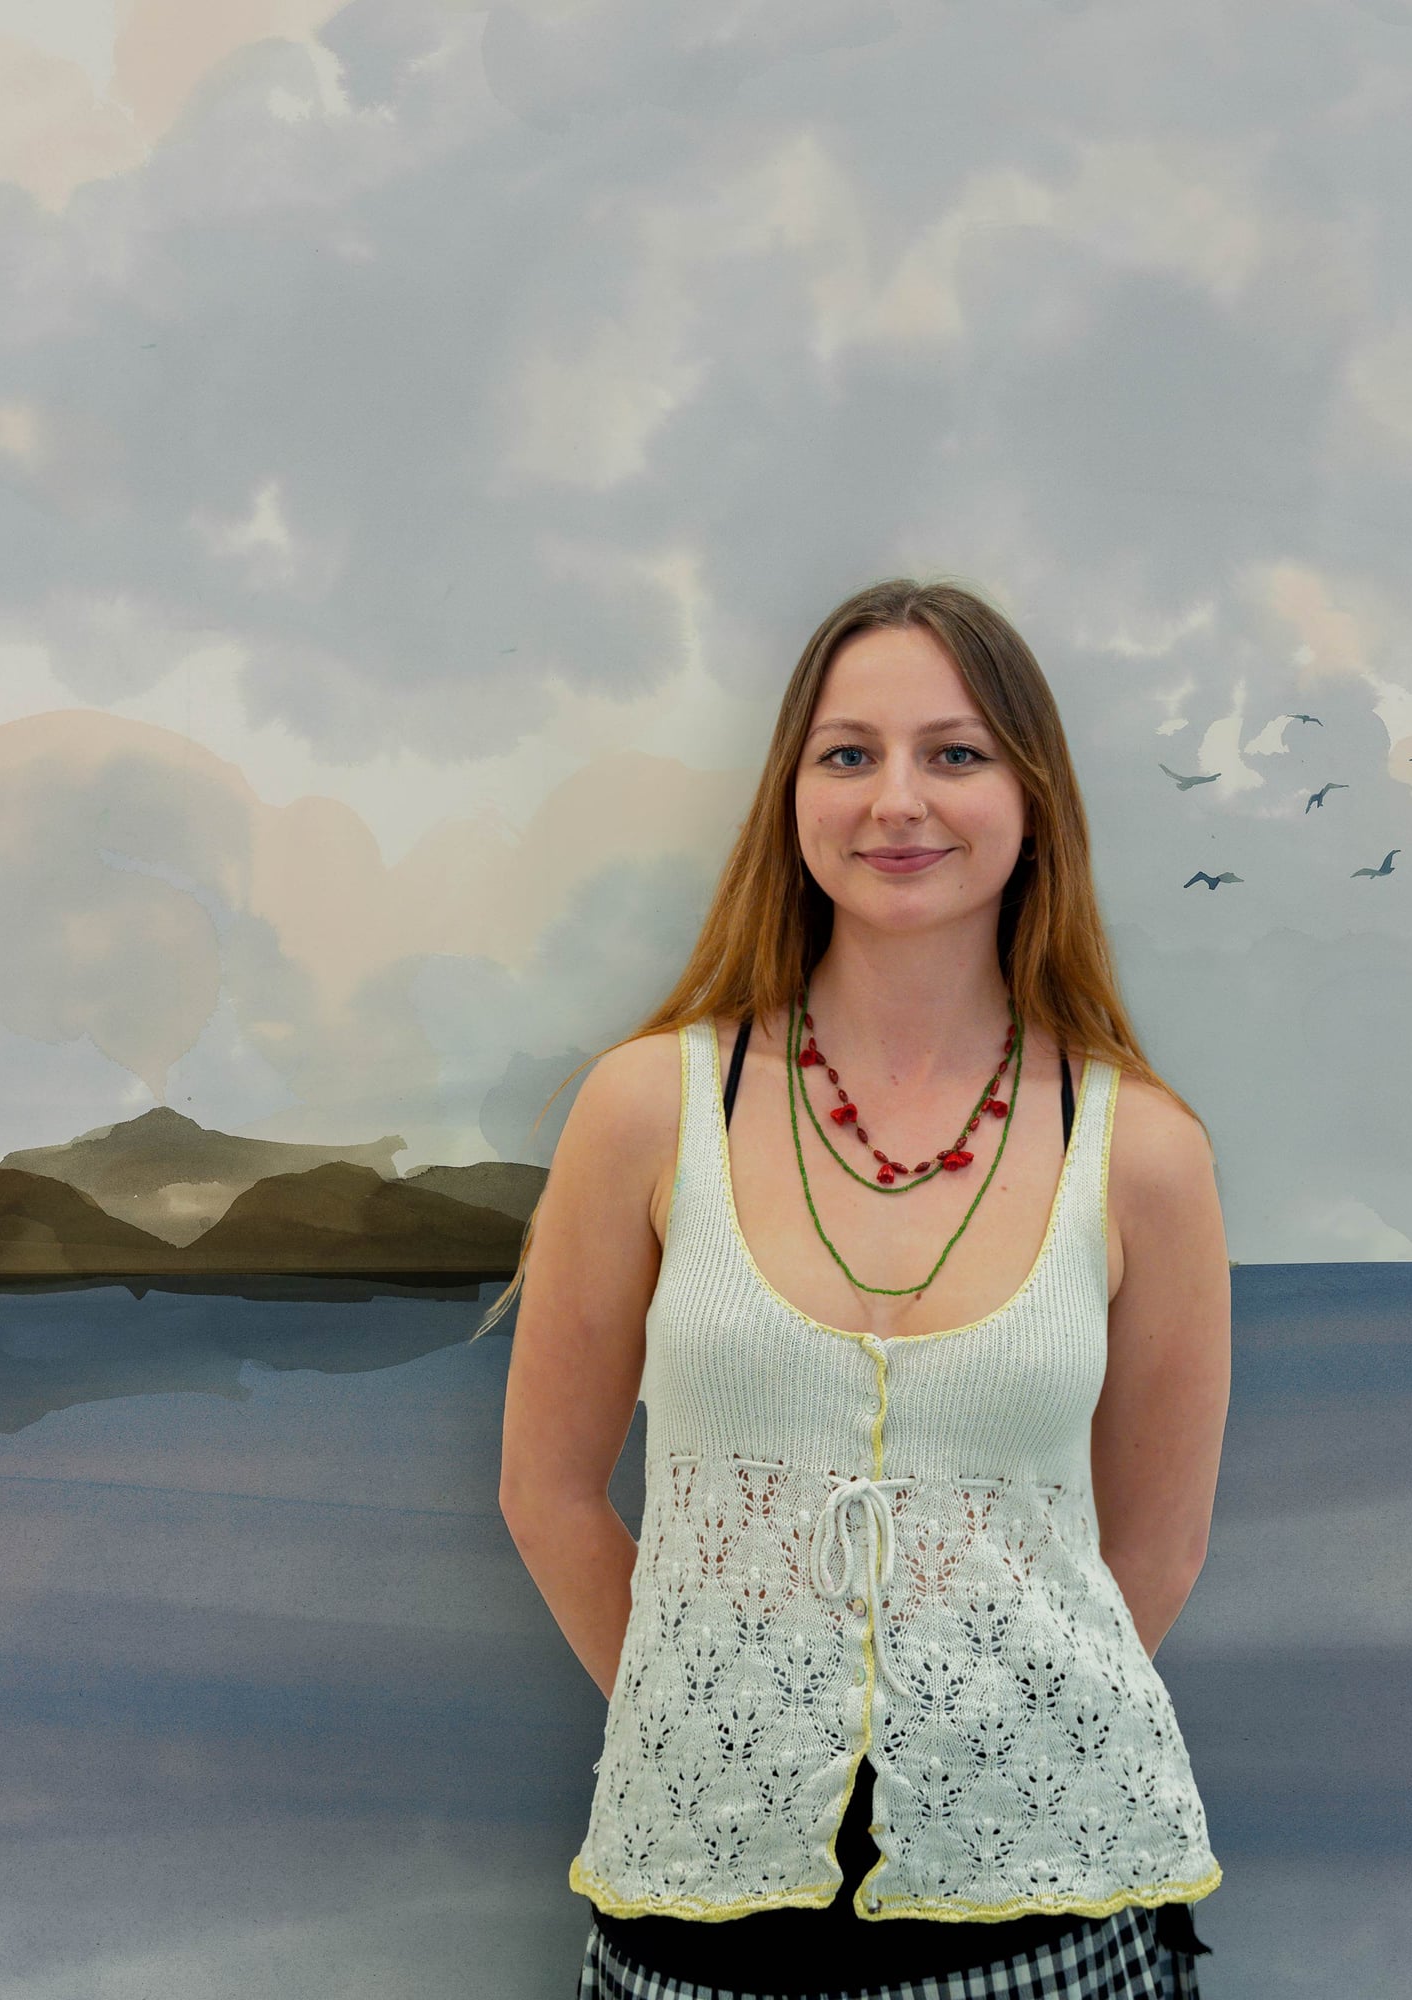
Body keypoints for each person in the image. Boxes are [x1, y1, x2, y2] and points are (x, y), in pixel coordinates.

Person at [493, 577, 1231, 1999]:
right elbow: (547, 1492)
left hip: (1058, 1929)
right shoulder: (648, 1107)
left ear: (1032, 803)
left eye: (955, 753)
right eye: (849, 753)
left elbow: (1159, 1543)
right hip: (692, 1940)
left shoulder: (1141, 1148)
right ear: (792, 795)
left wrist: (991, 1743)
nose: (898, 800)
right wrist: (715, 1730)